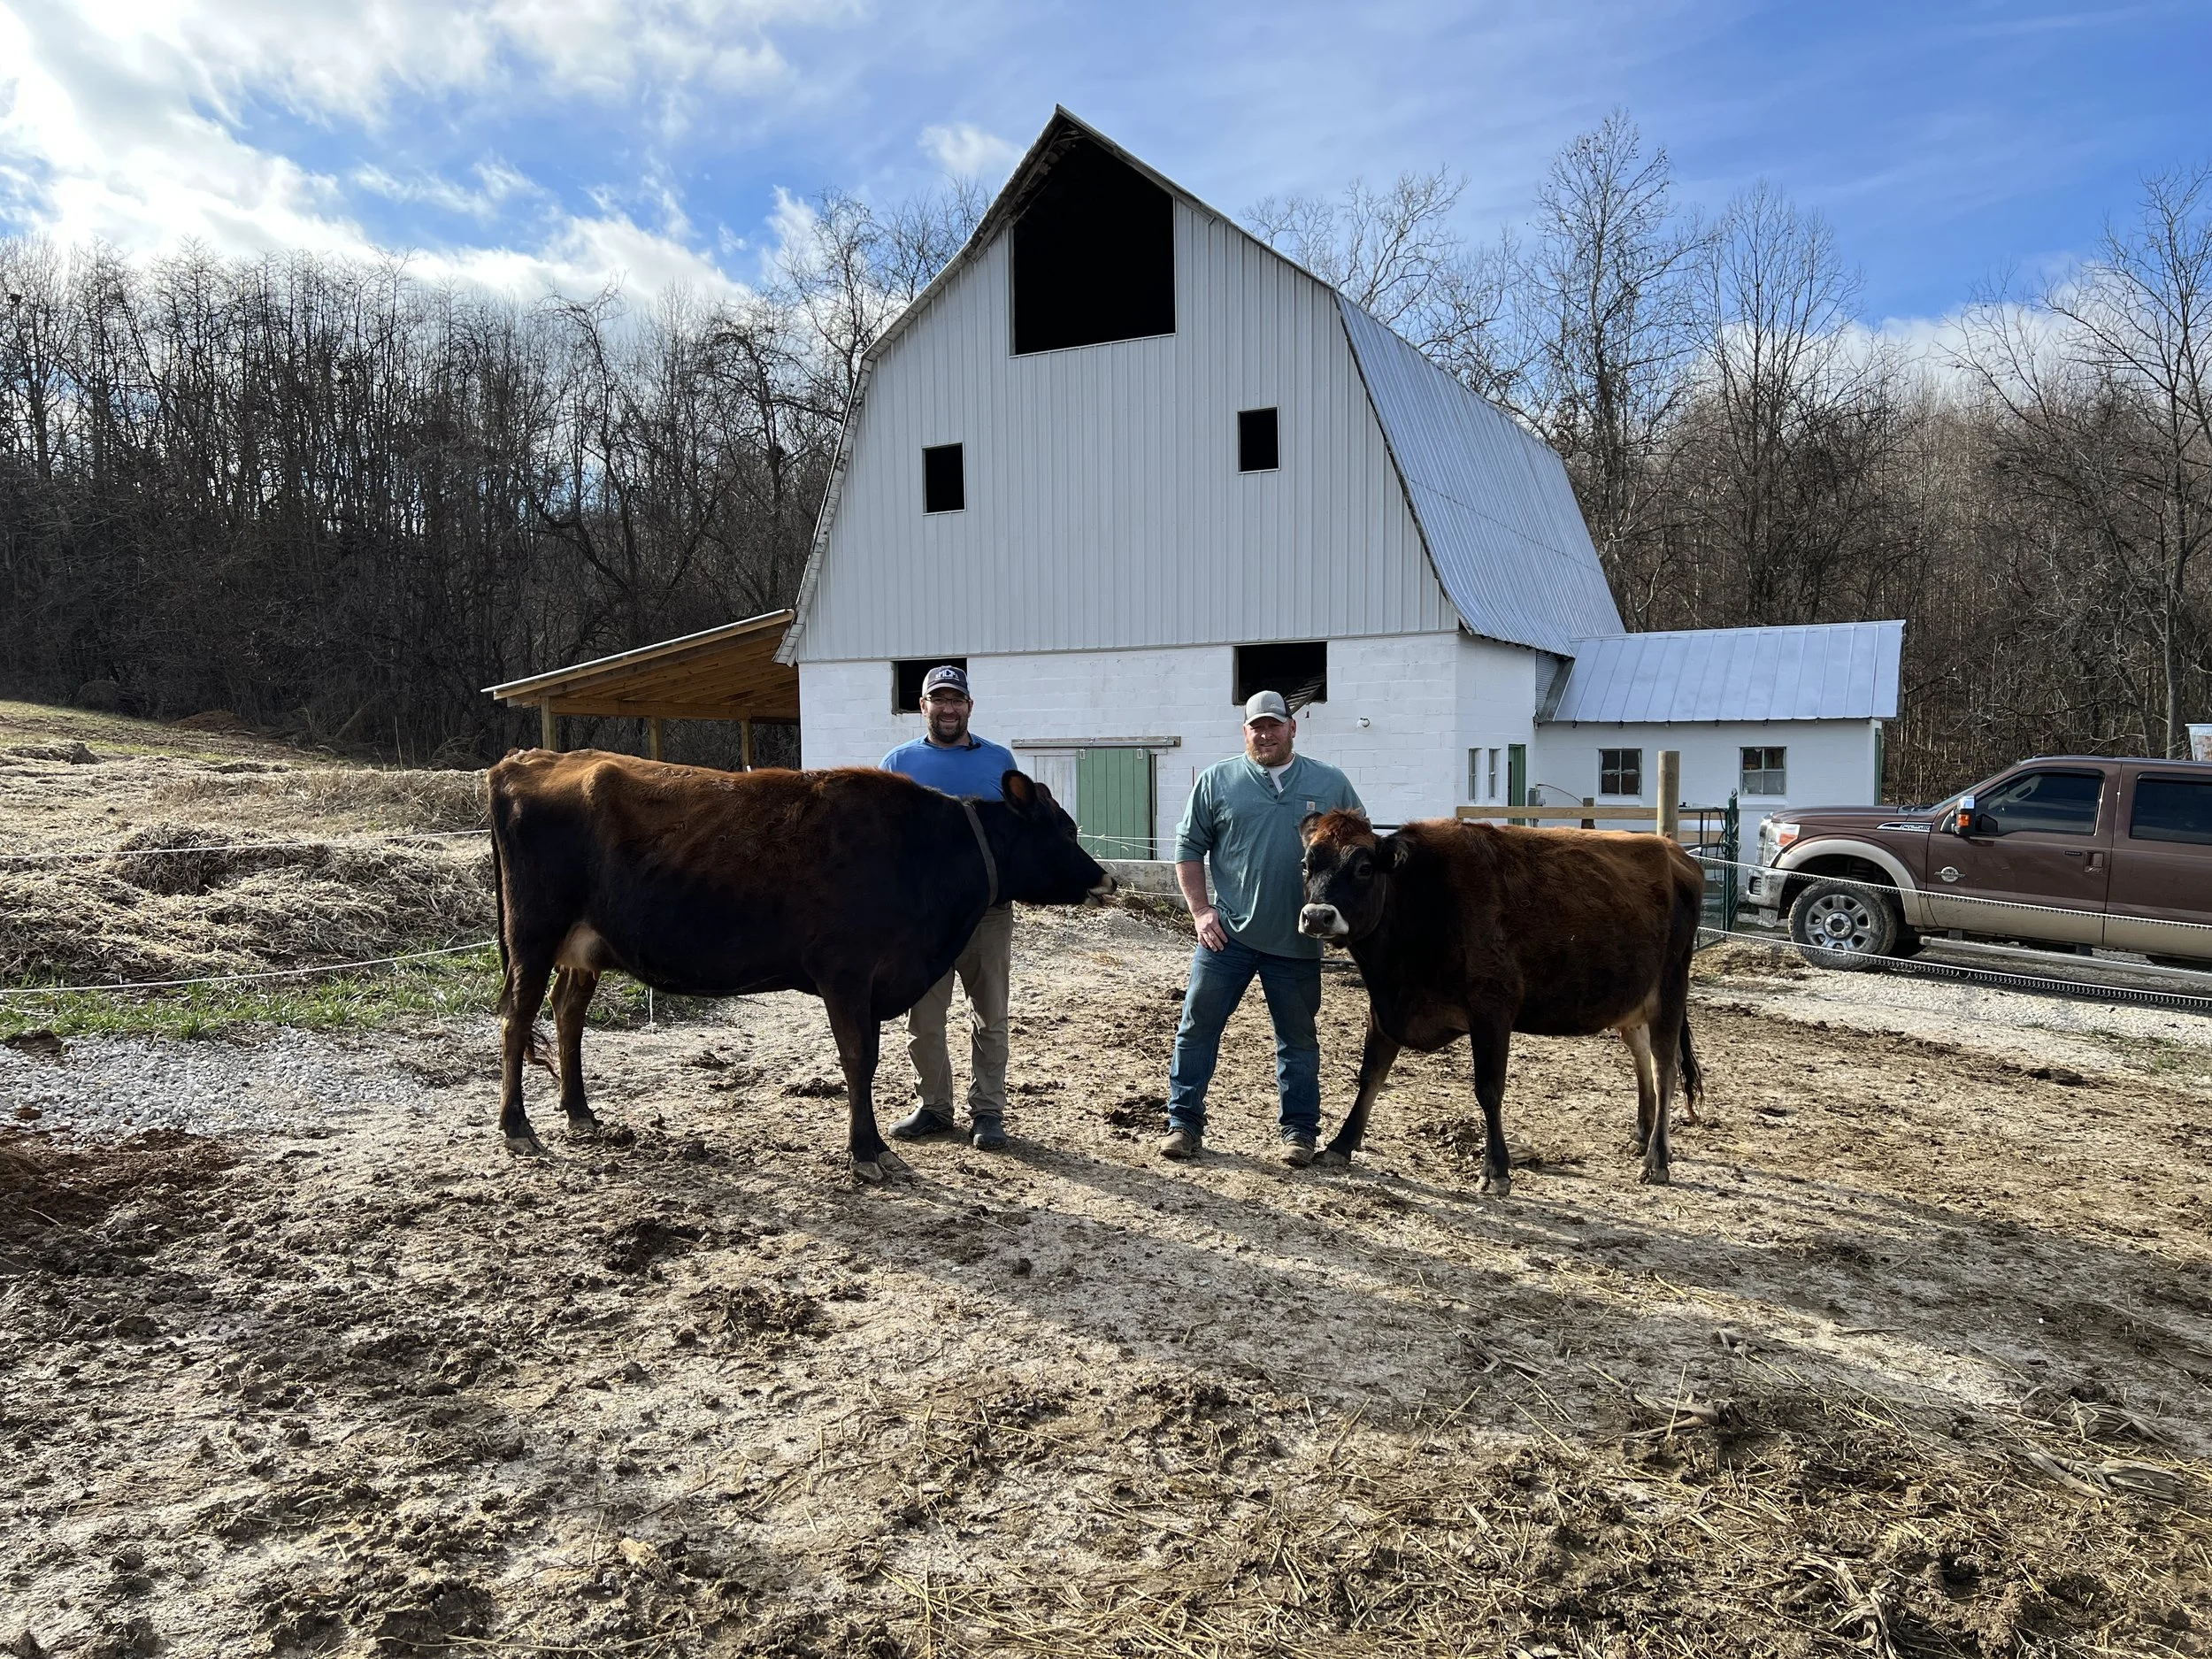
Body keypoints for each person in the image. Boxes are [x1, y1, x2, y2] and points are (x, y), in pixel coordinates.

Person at [1164, 690, 1363, 1166]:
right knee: (1196, 1028)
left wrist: (1341, 918)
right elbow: (1188, 848)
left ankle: (1299, 1133)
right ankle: (1182, 1124)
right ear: (1246, 731)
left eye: (1275, 725)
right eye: (1257, 726)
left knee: (1297, 1039)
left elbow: (1359, 849)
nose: (1266, 734)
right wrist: (1201, 912)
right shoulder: (1219, 780)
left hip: (1298, 939)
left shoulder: (1329, 782)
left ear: (1293, 728)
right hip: (1227, 936)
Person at [879, 664, 1020, 1151]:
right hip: (925, 919)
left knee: (990, 1017)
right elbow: (881, 841)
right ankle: (934, 1107)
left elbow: (1018, 834)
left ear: (969, 707)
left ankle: (988, 1113)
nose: (947, 708)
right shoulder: (898, 763)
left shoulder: (999, 760)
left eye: (955, 700)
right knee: (924, 1018)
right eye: (937, 700)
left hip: (988, 914)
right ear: (923, 707)